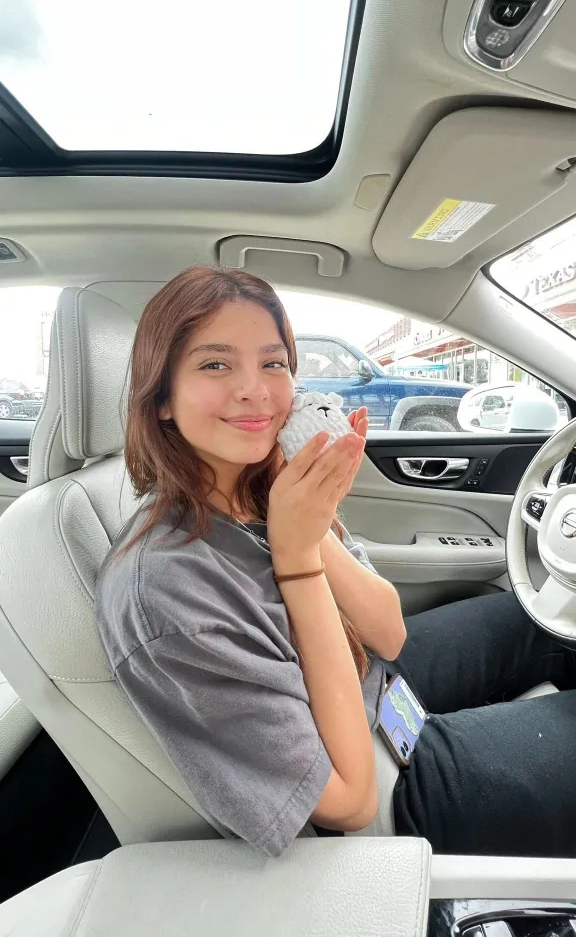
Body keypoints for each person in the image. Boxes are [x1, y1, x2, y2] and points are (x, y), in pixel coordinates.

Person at [95, 266, 576, 859]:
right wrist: (295, 557)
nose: (257, 390)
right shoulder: (165, 589)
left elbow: (389, 634)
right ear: (162, 398)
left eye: (273, 363)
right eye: (215, 364)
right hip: (389, 793)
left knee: (536, 620)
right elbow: (351, 802)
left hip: (374, 686)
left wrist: (306, 524)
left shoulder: (262, 486)